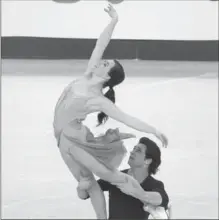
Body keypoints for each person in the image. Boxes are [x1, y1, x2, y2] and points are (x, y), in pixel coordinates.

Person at [53, 4, 168, 219]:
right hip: (62, 139)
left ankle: (150, 202)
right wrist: (113, 21)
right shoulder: (89, 74)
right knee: (87, 183)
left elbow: (127, 118)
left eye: (105, 64)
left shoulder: (98, 100)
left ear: (107, 76)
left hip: (75, 141)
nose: (100, 62)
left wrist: (153, 130)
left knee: (112, 176)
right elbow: (100, 44)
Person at [78, 137, 170, 219]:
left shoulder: (154, 184)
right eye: (134, 148)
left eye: (138, 150)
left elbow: (162, 199)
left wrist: (135, 192)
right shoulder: (115, 176)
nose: (132, 152)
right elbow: (85, 195)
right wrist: (81, 187)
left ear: (147, 161)